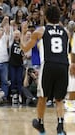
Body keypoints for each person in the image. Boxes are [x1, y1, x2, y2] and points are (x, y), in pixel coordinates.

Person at [20, 6, 71, 135]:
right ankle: (60, 127)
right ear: (58, 17)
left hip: (49, 64)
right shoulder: (66, 32)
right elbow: (67, 50)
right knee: (59, 99)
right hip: (64, 65)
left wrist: (22, 32)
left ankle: (41, 124)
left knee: (42, 96)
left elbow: (25, 49)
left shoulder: (40, 31)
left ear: (46, 17)